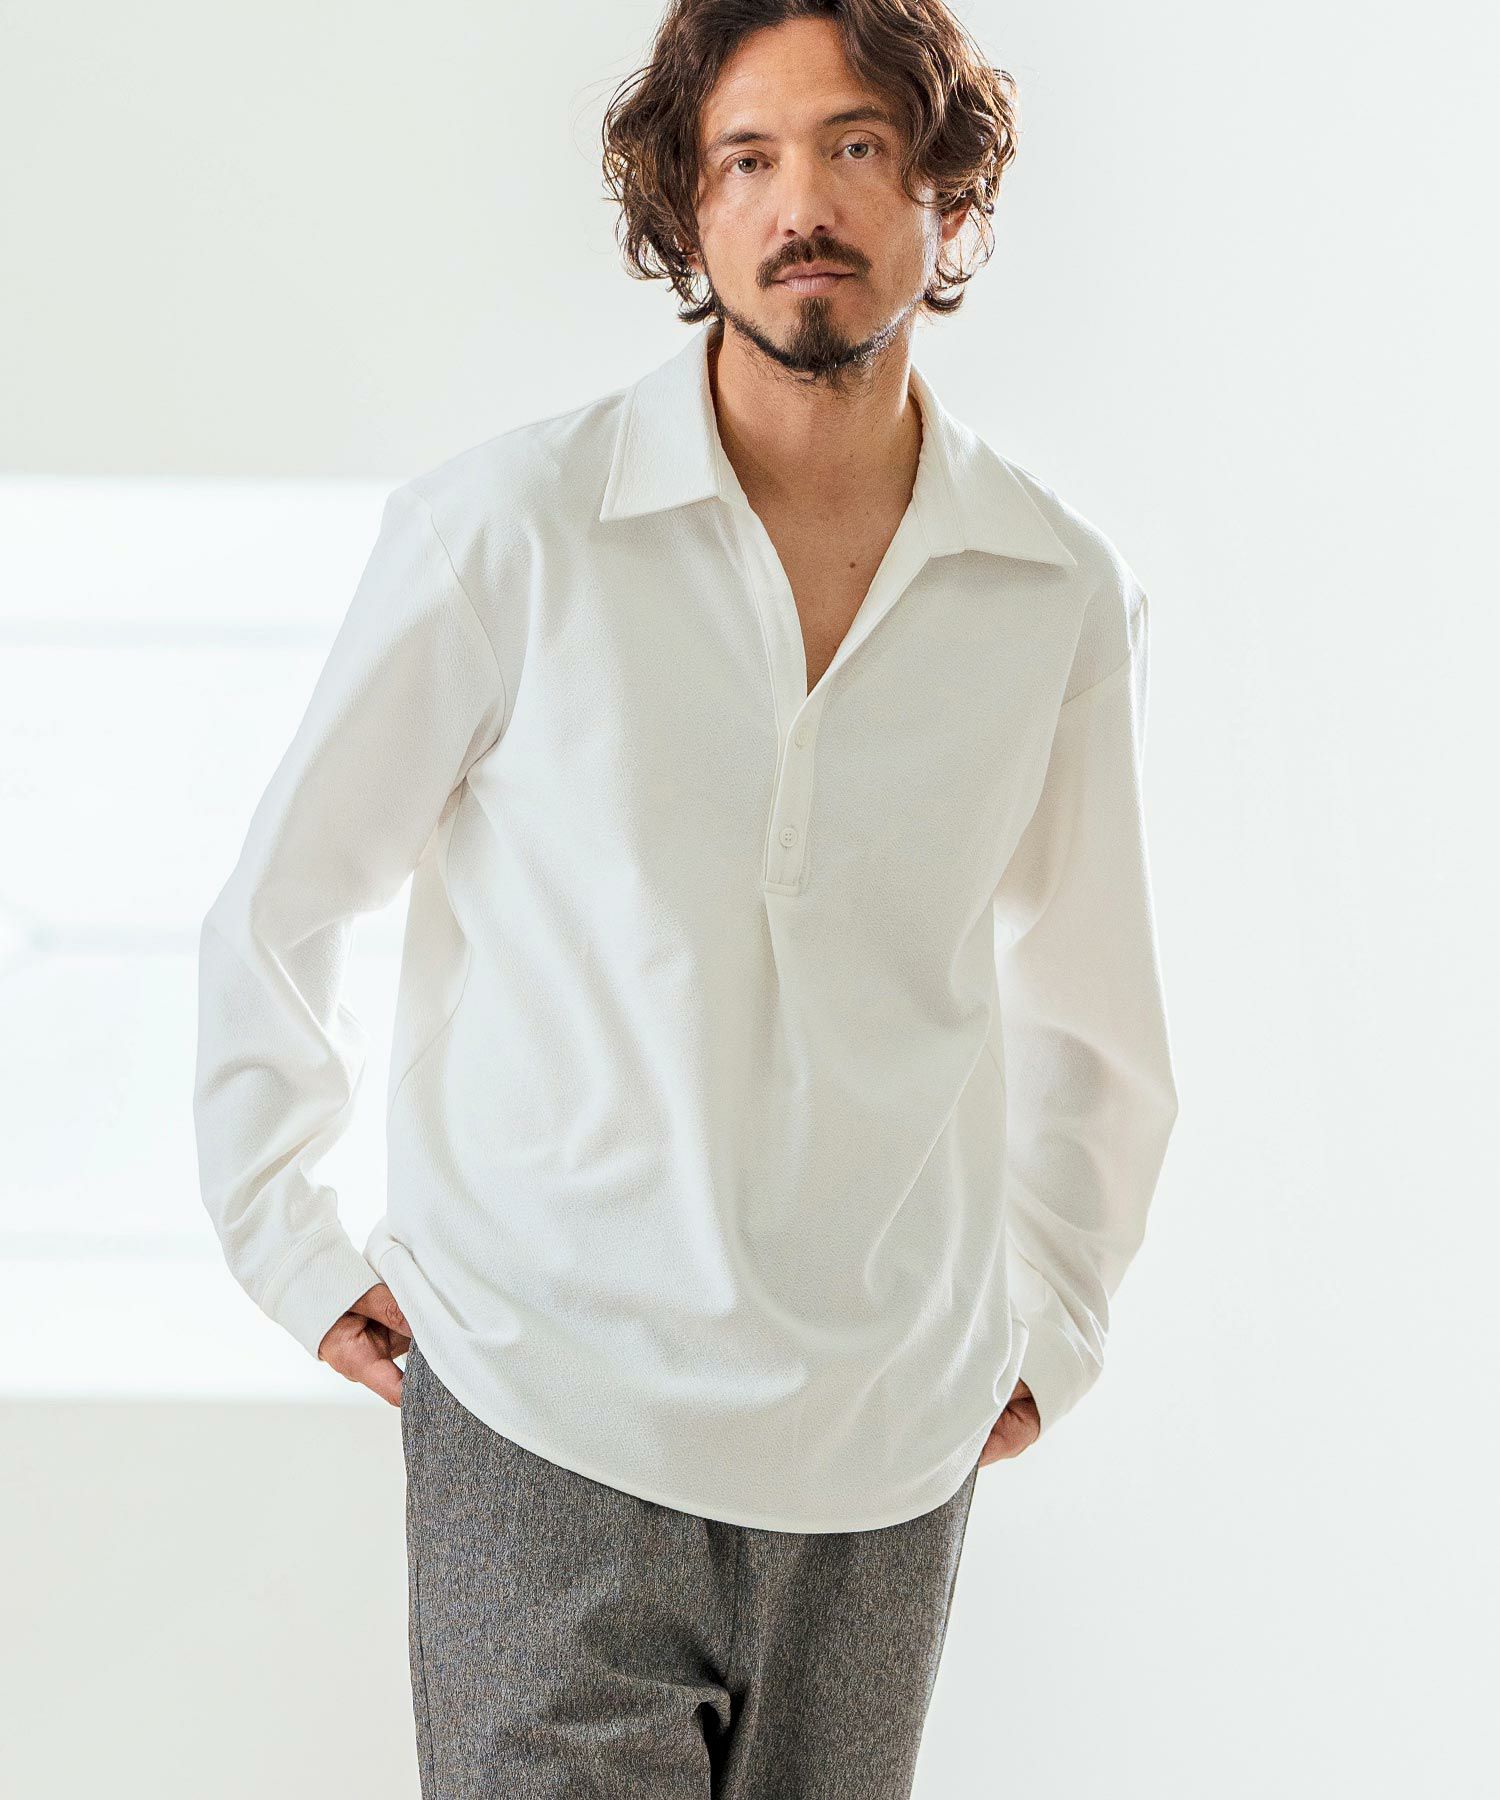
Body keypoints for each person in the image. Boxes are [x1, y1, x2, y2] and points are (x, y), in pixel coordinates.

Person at [192, 1, 1180, 1792]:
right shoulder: (512, 531)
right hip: (546, 1400)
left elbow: (1095, 1004)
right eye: (747, 158)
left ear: (947, 193)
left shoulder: (1051, 591)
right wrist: (287, 1238)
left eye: (858, 146)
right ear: (687, 209)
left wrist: (1059, 1319)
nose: (804, 202)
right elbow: (288, 898)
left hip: (885, 1447)